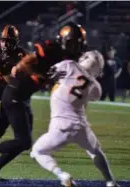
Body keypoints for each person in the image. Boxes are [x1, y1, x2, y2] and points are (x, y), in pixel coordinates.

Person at [0, 22, 65, 180]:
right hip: (14, 97)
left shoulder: (26, 57)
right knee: (23, 141)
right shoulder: (41, 60)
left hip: (20, 97)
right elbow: (21, 68)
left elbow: (20, 67)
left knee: (24, 142)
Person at [30, 28, 120, 186]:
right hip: (80, 126)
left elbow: (50, 74)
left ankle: (62, 175)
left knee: (37, 151)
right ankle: (111, 182)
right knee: (96, 152)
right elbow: (91, 94)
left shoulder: (68, 65)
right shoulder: (95, 85)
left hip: (60, 125)